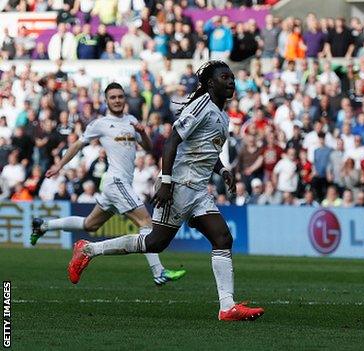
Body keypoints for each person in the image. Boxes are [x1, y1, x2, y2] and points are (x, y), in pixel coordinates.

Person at [65, 61, 264, 321]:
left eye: (232, 77)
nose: (231, 81)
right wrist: (167, 181)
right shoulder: (201, 105)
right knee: (155, 242)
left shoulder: (221, 115)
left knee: (222, 238)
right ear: (211, 83)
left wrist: (222, 169)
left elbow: (203, 149)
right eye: (225, 77)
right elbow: (172, 141)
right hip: (179, 185)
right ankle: (88, 250)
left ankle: (227, 307)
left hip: (198, 191)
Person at [31, 83, 186, 286]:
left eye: (120, 96)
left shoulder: (131, 120)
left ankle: (43, 225)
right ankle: (159, 272)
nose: (117, 100)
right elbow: (78, 144)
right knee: (146, 223)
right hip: (116, 181)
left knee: (90, 224)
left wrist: (144, 132)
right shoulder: (100, 124)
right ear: (106, 101)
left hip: (118, 184)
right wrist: (59, 165)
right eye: (112, 97)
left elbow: (147, 148)